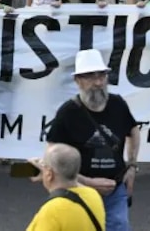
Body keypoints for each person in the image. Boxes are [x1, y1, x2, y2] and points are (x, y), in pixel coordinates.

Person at [45, 48, 140, 231]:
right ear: (78, 81)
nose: (98, 82)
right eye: (90, 77)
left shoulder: (118, 104)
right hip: (78, 190)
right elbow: (52, 155)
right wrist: (88, 182)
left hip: (115, 190)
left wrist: (132, 166)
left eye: (102, 76)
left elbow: (133, 131)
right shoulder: (68, 112)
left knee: (118, 227)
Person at [25, 144, 106, 231]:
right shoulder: (93, 195)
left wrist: (47, 174)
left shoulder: (52, 210)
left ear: (49, 174)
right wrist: (47, 172)